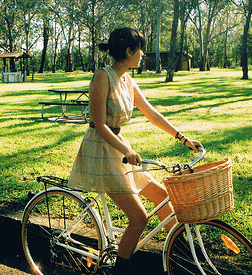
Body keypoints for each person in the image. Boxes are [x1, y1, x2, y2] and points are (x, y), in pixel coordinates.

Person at [68, 27, 203, 275]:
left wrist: (183, 139)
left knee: (163, 197)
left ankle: (182, 256)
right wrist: (126, 151)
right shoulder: (102, 77)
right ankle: (121, 269)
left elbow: (152, 114)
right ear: (129, 51)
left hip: (120, 148)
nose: (143, 53)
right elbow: (99, 125)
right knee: (139, 217)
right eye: (140, 48)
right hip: (101, 150)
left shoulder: (128, 80)